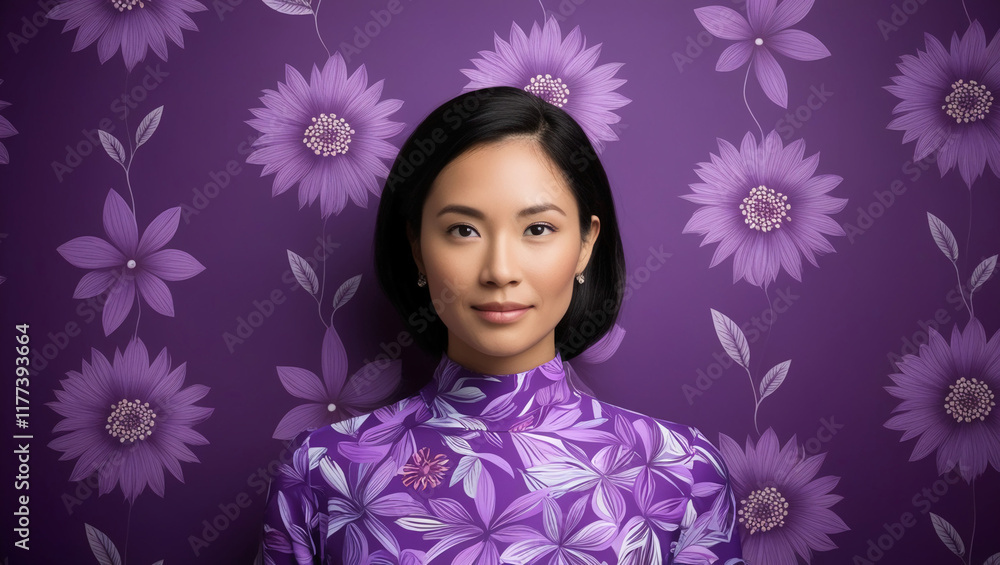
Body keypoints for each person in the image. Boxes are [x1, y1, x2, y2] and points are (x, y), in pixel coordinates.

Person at [260, 86, 745, 564]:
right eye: (463, 230)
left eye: (537, 229)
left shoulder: (680, 472)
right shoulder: (324, 471)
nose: (499, 270)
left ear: (584, 245)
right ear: (416, 248)